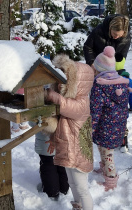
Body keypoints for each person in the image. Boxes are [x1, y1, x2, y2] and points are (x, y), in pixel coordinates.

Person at [45, 54, 94, 210]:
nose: (60, 86)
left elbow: (68, 107)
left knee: (82, 188)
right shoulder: (69, 100)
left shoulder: (82, 102)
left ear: (77, 83)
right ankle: (78, 206)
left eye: (66, 82)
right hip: (68, 150)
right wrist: (53, 139)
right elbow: (59, 124)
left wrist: (54, 97)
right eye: (59, 81)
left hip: (78, 153)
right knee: (72, 183)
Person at [90, 46, 132, 190]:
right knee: (103, 148)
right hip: (117, 126)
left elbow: (95, 110)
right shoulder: (121, 81)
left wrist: (91, 127)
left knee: (108, 154)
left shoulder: (99, 85)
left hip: (104, 126)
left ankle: (111, 181)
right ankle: (104, 169)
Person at [29, 119, 69, 201]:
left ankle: (51, 191)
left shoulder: (41, 109)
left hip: (45, 141)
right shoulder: (63, 106)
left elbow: (33, 122)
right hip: (62, 137)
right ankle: (64, 188)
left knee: (48, 165)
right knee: (61, 164)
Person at [115, 52, 132, 152]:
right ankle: (123, 144)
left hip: (108, 111)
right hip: (123, 111)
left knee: (108, 126)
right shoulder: (128, 81)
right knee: (122, 126)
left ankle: (110, 143)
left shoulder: (105, 79)